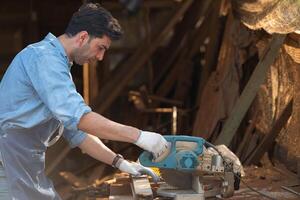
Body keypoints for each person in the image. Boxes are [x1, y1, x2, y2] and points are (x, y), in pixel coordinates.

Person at [0, 3, 168, 200]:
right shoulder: (44, 59)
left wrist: (120, 162)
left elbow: (78, 133)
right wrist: (139, 136)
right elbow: (81, 119)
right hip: (9, 159)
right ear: (82, 37)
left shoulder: (58, 67)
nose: (100, 57)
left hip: (22, 159)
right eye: (100, 48)